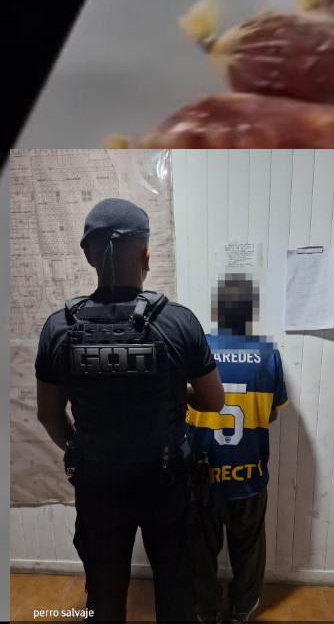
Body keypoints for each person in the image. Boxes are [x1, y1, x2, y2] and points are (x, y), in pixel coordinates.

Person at [35, 198, 225, 622]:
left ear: (88, 256)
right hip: (166, 483)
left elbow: (48, 413)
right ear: (146, 257)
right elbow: (215, 401)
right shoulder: (178, 323)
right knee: (177, 596)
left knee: (103, 600)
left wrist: (81, 448)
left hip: (98, 485)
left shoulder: (59, 328)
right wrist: (179, 393)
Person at [187, 274, 289, 623]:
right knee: (248, 546)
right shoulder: (269, 354)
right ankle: (242, 607)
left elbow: (181, 409)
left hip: (203, 474)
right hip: (249, 473)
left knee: (201, 549)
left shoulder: (196, 349)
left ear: (217, 310)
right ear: (251, 312)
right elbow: (271, 414)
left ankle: (207, 611)